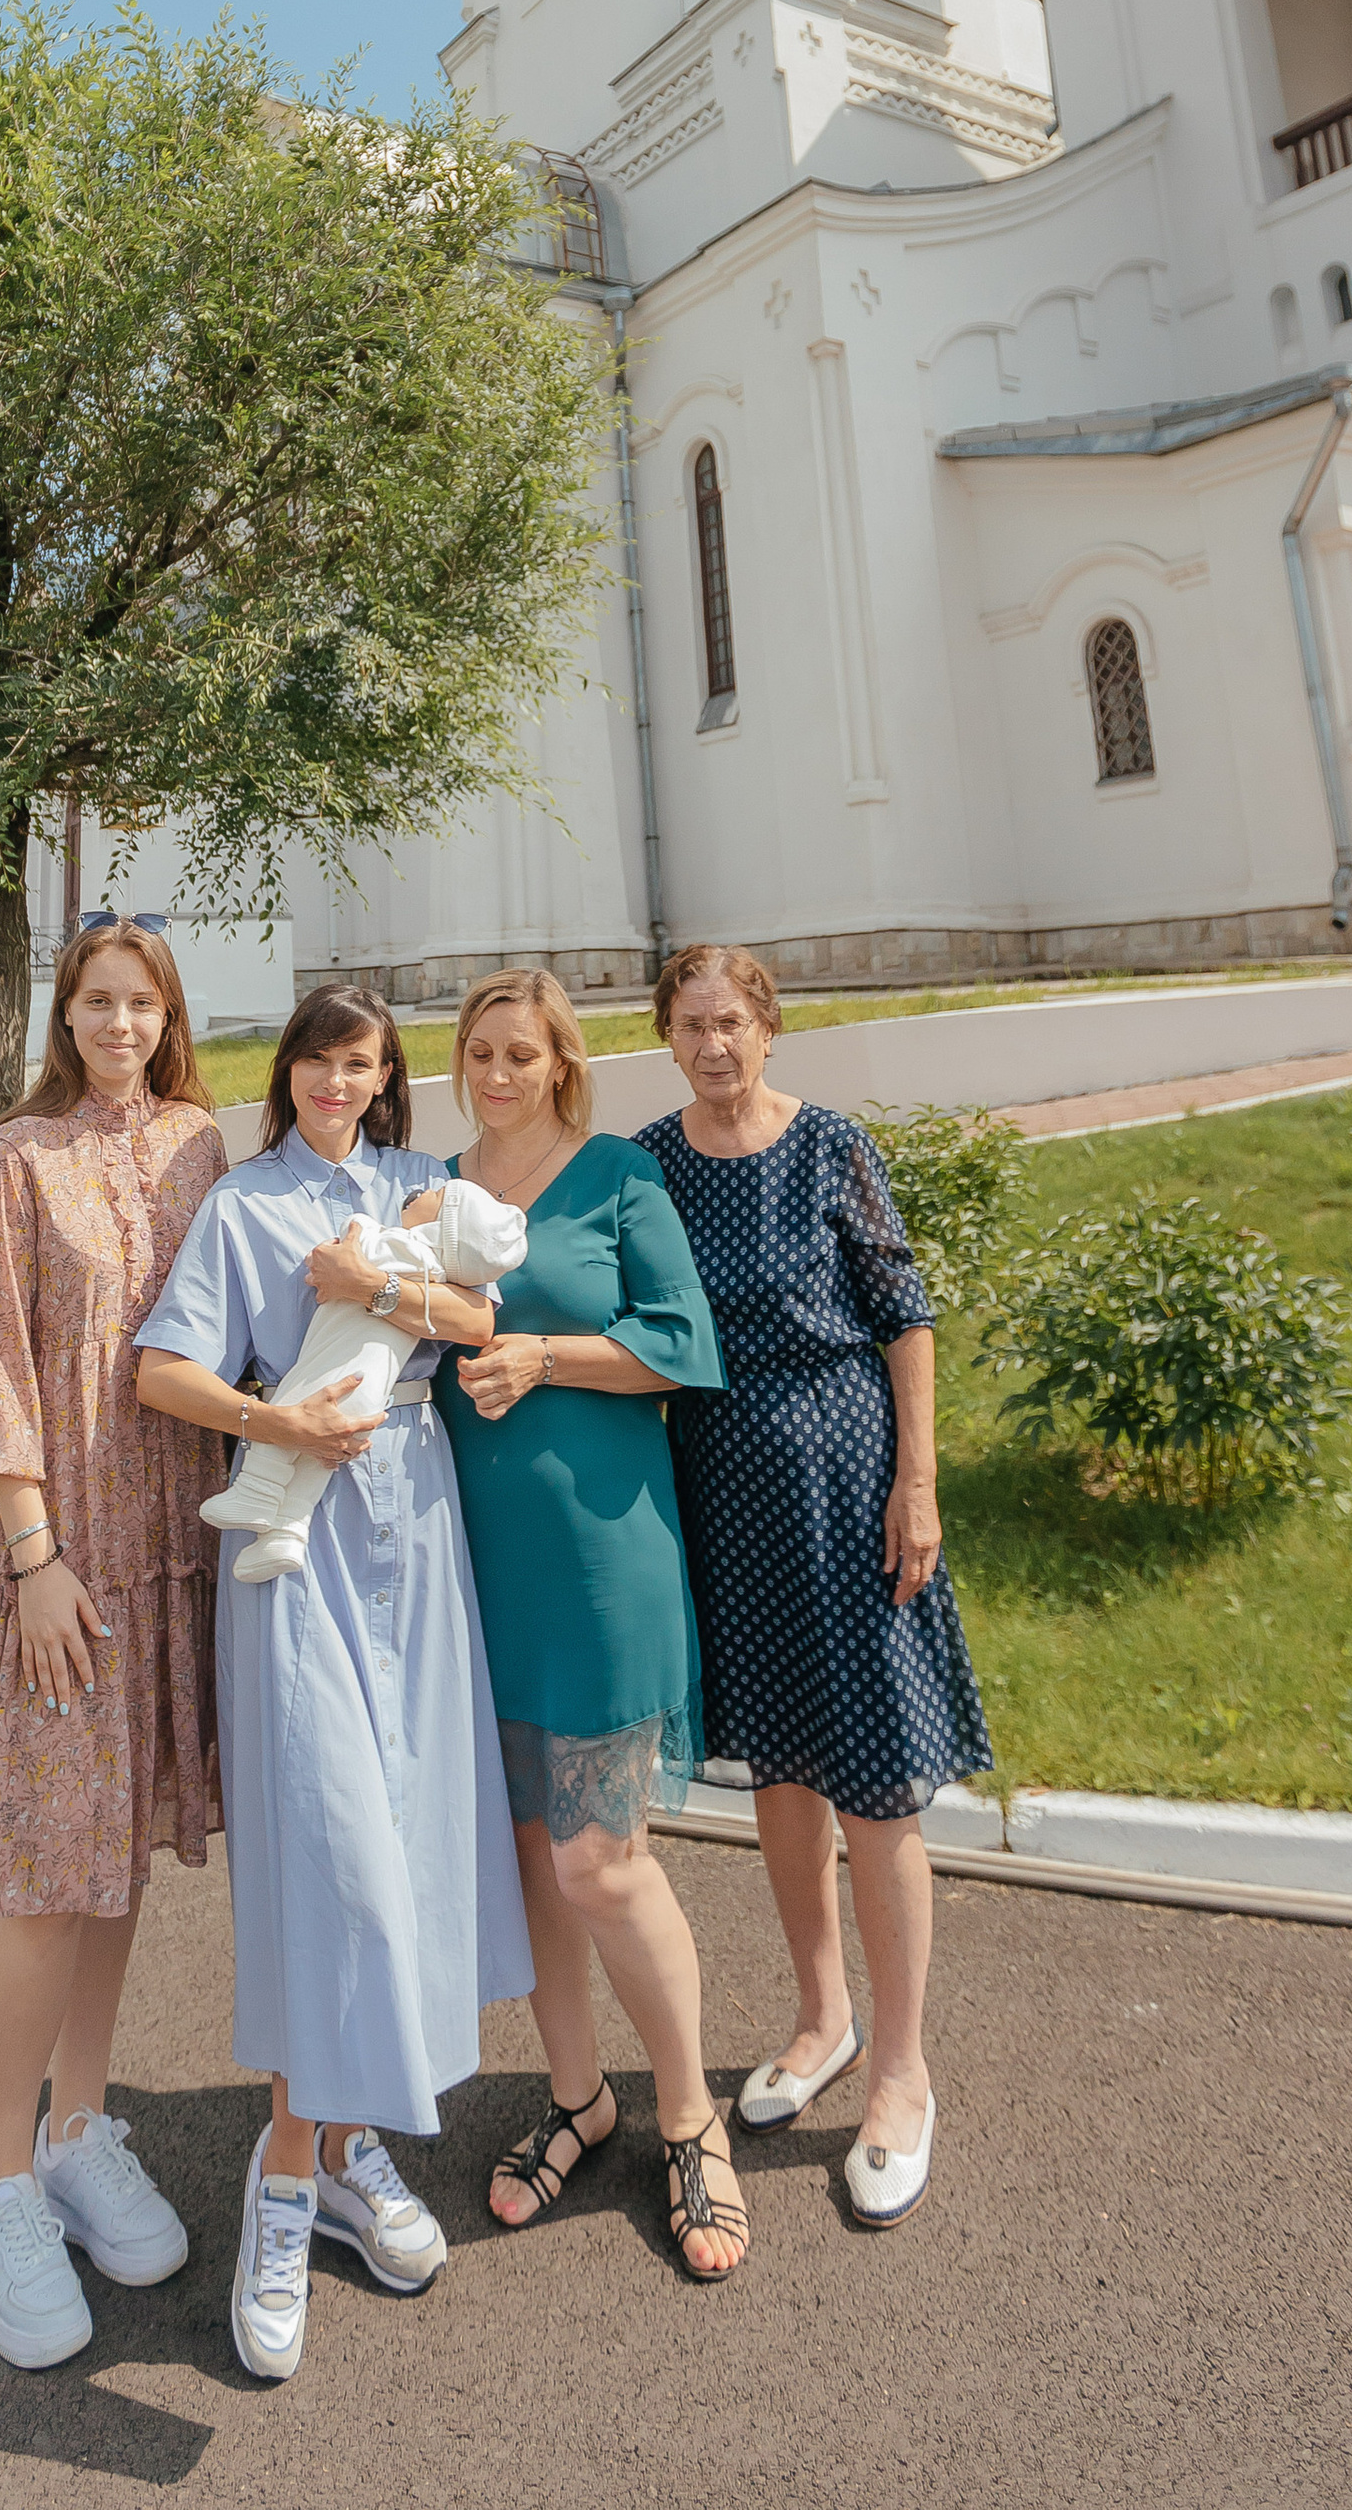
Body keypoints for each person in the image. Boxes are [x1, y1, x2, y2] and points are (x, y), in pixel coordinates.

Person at [135, 985, 531, 2383]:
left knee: (408, 1850)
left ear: (383, 1079)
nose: (338, 1082)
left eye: (362, 1064)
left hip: (417, 1535)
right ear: (289, 1070)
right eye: (319, 1059)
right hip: (293, 1554)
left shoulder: (424, 1184)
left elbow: (482, 1322)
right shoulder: (243, 1206)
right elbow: (162, 1369)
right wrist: (273, 1416)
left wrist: (378, 1290)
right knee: (332, 1862)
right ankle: (286, 2183)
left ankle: (351, 2147)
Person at [634, 942, 993, 2231]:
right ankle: (820, 2017)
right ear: (666, 1037)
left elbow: (903, 1311)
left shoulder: (827, 1143)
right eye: (691, 1025)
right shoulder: (655, 1162)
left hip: (849, 1489)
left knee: (878, 1782)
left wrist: (919, 1480)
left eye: (731, 1022)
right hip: (726, 1499)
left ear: (769, 1028)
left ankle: (902, 2071)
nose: (713, 1045)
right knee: (780, 1774)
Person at [0, 911, 229, 2372]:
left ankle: (81, 2127)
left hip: (174, 1560)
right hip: (65, 1571)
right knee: (49, 1875)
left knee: (116, 1863)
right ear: (65, 1018)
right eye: (95, 1002)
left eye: (140, 1002)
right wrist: (33, 1554)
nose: (117, 1023)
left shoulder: (198, 1144)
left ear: (169, 1015)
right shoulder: (21, 1157)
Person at [436, 969, 747, 2283]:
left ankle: (690, 2118)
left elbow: (684, 1343)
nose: (499, 1073)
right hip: (474, 1571)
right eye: (480, 1053)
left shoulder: (616, 1172)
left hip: (603, 1562)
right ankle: (578, 2100)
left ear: (562, 1061)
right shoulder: (438, 1186)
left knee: (599, 1862)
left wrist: (545, 1355)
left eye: (523, 1053)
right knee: (531, 1869)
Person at [200, 1173, 526, 1579]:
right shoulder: (437, 1275)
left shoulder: (410, 1249)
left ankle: (256, 1490)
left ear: (440, 1227)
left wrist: (358, 1231)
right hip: (373, 1395)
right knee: (318, 1464)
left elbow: (354, 1245)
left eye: (438, 1196)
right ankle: (288, 1531)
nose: (424, 1191)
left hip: (337, 1373)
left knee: (290, 1406)